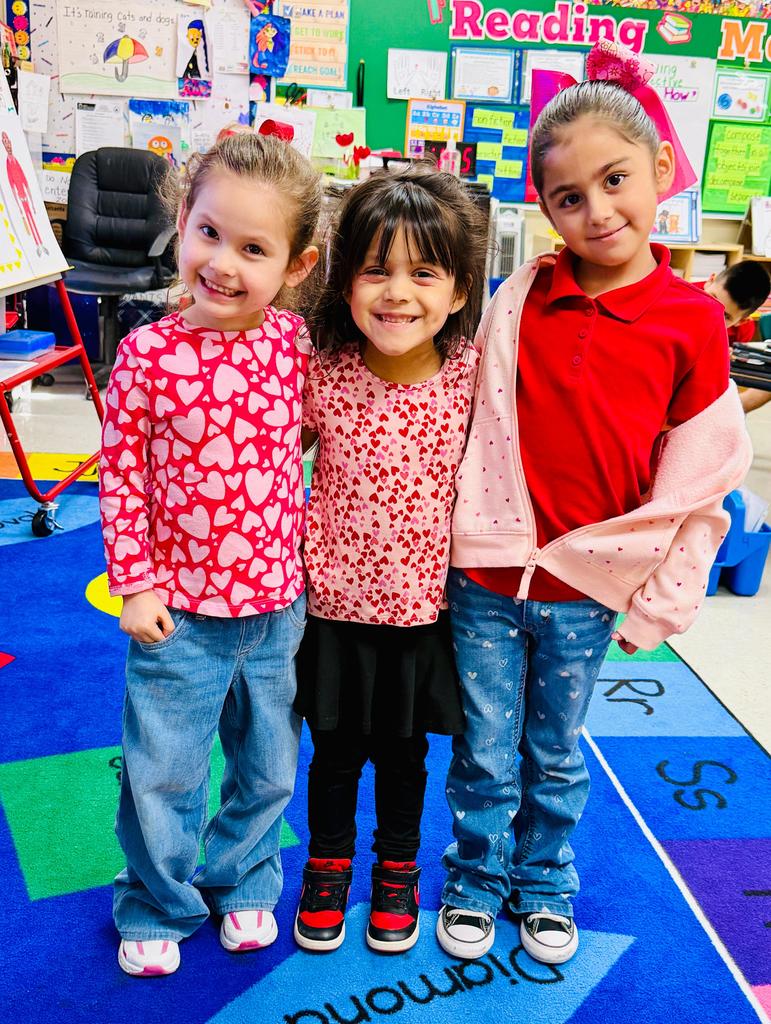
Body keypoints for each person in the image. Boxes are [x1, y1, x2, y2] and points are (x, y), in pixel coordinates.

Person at [436, 42, 752, 967]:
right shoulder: (523, 294)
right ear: (544, 209)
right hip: (487, 573)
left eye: (613, 179)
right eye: (566, 198)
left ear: (658, 167)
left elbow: (702, 477)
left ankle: (543, 883)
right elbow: (467, 419)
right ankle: (473, 877)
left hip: (586, 585)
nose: (594, 211)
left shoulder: (692, 320)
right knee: (484, 749)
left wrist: (664, 595)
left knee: (555, 751)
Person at [99, 132, 321, 977]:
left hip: (274, 608)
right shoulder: (149, 353)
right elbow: (121, 476)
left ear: (295, 265)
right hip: (178, 615)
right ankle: (156, 901)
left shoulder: (293, 347)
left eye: (254, 249)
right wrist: (135, 583)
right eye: (209, 234)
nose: (223, 263)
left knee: (267, 769)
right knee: (162, 772)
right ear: (181, 223)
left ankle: (246, 881)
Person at [292, 165, 488, 954]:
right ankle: (327, 867)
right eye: (375, 269)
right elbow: (266, 462)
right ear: (343, 286)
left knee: (406, 759)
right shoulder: (323, 376)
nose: (397, 292)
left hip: (422, 613)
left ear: (459, 292)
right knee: (335, 754)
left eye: (423, 272)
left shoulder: (471, 377)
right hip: (331, 609)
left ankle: (398, 871)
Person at [696, 261, 771, 415]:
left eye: (726, 316)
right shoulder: (678, 294)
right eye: (712, 299)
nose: (712, 314)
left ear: (741, 321)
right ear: (710, 280)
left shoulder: (743, 330)